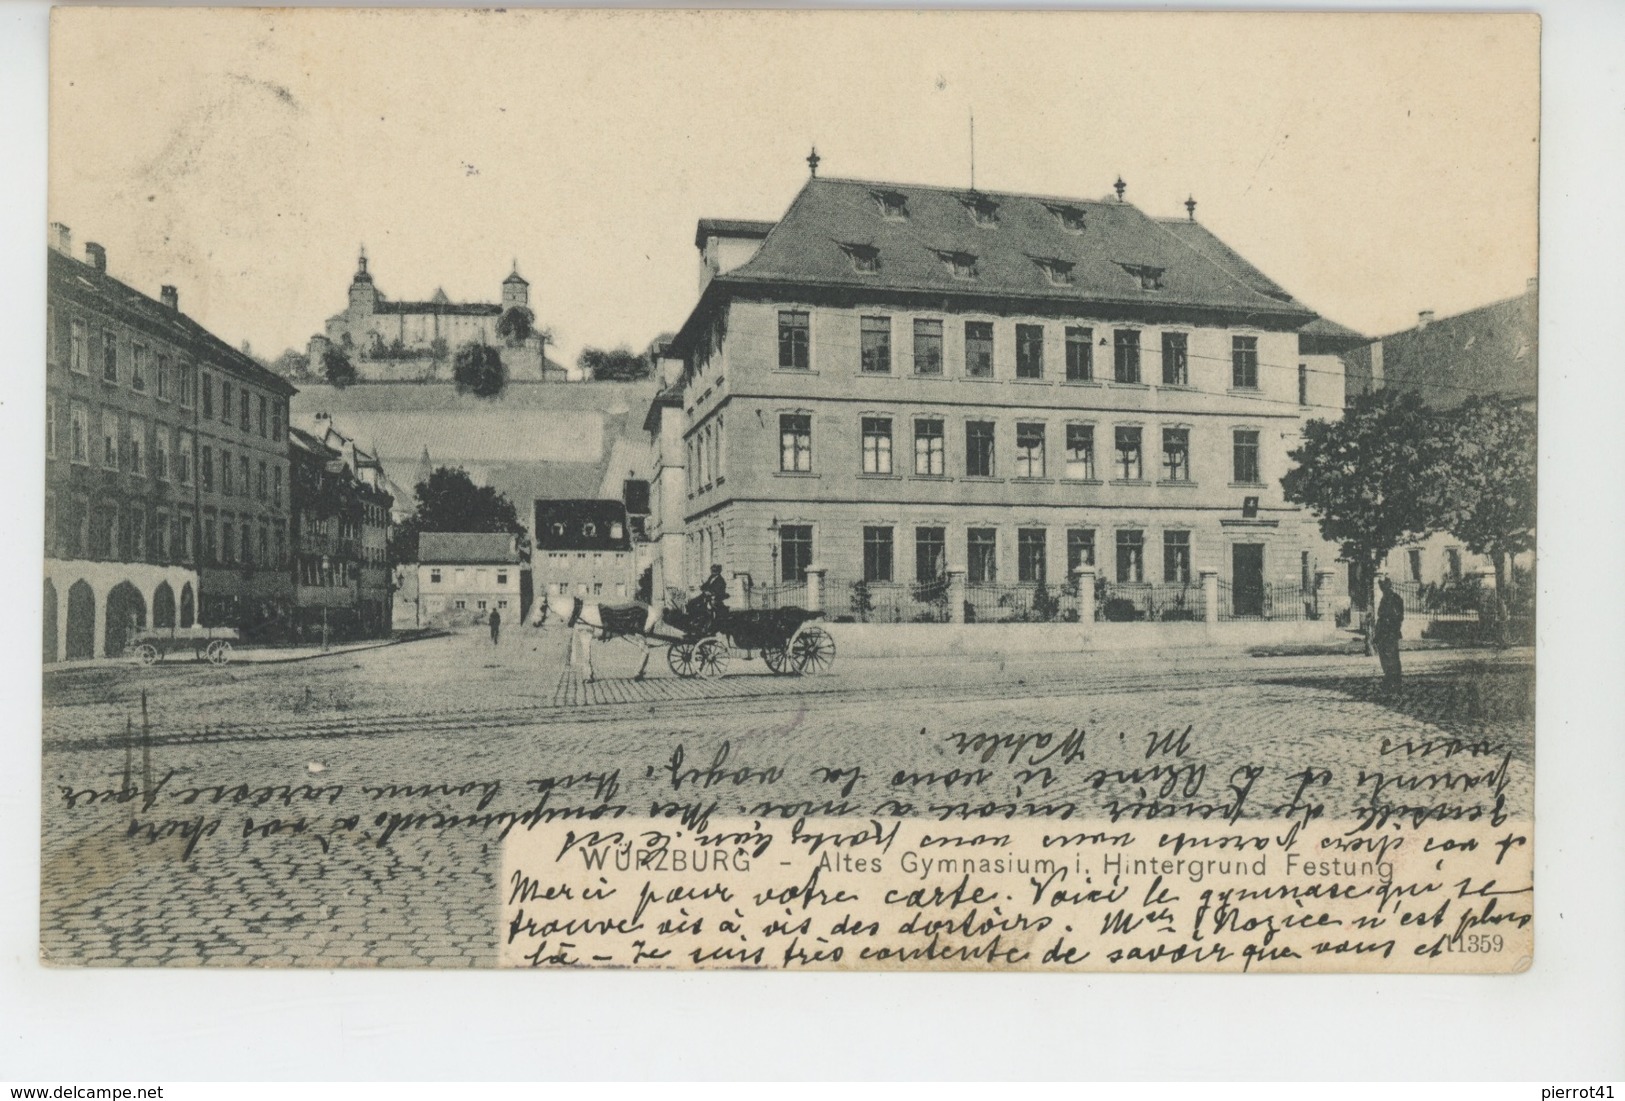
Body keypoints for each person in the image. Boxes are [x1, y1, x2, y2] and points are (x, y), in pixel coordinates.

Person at [1374, 577, 1404, 689]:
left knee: (1391, 656)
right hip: (1384, 632)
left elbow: (1399, 616)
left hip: (1389, 632)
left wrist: (1392, 627)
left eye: (1383, 587)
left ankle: (1394, 680)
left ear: (1388, 586)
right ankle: (1390, 678)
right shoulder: (1386, 598)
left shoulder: (1394, 599)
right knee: (1386, 656)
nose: (1382, 589)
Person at [699, 564, 729, 633]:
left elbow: (719, 592)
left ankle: (709, 626)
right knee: (694, 603)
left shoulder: (721, 581)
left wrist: (711, 593)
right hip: (707, 597)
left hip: (715, 599)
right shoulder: (711, 578)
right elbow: (705, 585)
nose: (713, 572)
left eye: (714, 570)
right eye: (712, 570)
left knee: (710, 609)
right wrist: (702, 588)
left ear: (718, 571)